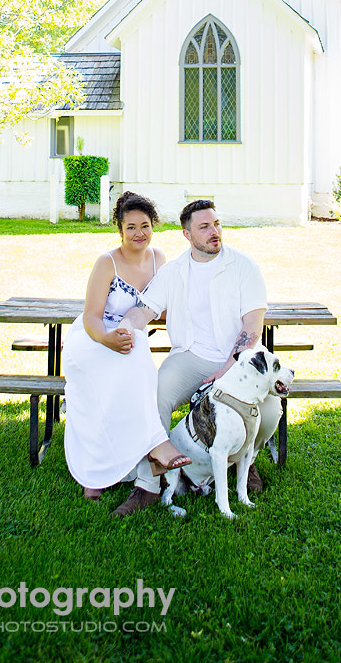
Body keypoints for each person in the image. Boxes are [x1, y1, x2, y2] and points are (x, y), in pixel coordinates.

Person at [110, 198, 271, 518]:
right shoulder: (174, 272)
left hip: (235, 363)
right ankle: (149, 486)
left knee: (268, 412)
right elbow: (145, 310)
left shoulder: (243, 266)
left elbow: (253, 324)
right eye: (205, 227)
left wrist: (229, 366)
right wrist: (126, 327)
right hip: (190, 358)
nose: (215, 232)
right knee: (154, 394)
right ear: (187, 234)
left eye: (217, 224)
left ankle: (244, 461)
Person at [61, 190, 191, 500]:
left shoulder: (160, 260)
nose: (138, 233)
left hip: (130, 338)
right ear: (120, 229)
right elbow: (90, 316)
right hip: (93, 340)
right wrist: (106, 339)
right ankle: (104, 468)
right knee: (124, 367)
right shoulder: (107, 263)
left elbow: (168, 304)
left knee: (136, 360)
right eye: (130, 227)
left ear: (153, 226)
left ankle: (138, 456)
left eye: (144, 225)